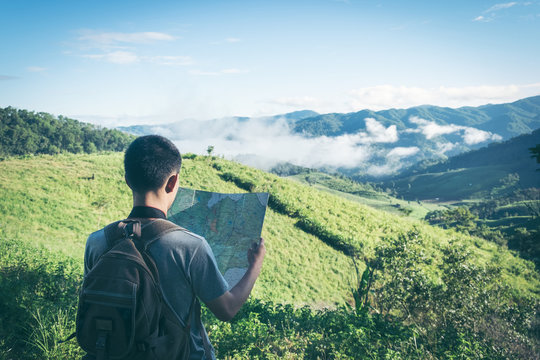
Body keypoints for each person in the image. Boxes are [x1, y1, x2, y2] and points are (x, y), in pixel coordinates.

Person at [83, 135, 266, 359]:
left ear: (128, 180)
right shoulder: (191, 246)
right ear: (172, 182)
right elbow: (227, 310)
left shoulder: (97, 241)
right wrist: (255, 265)